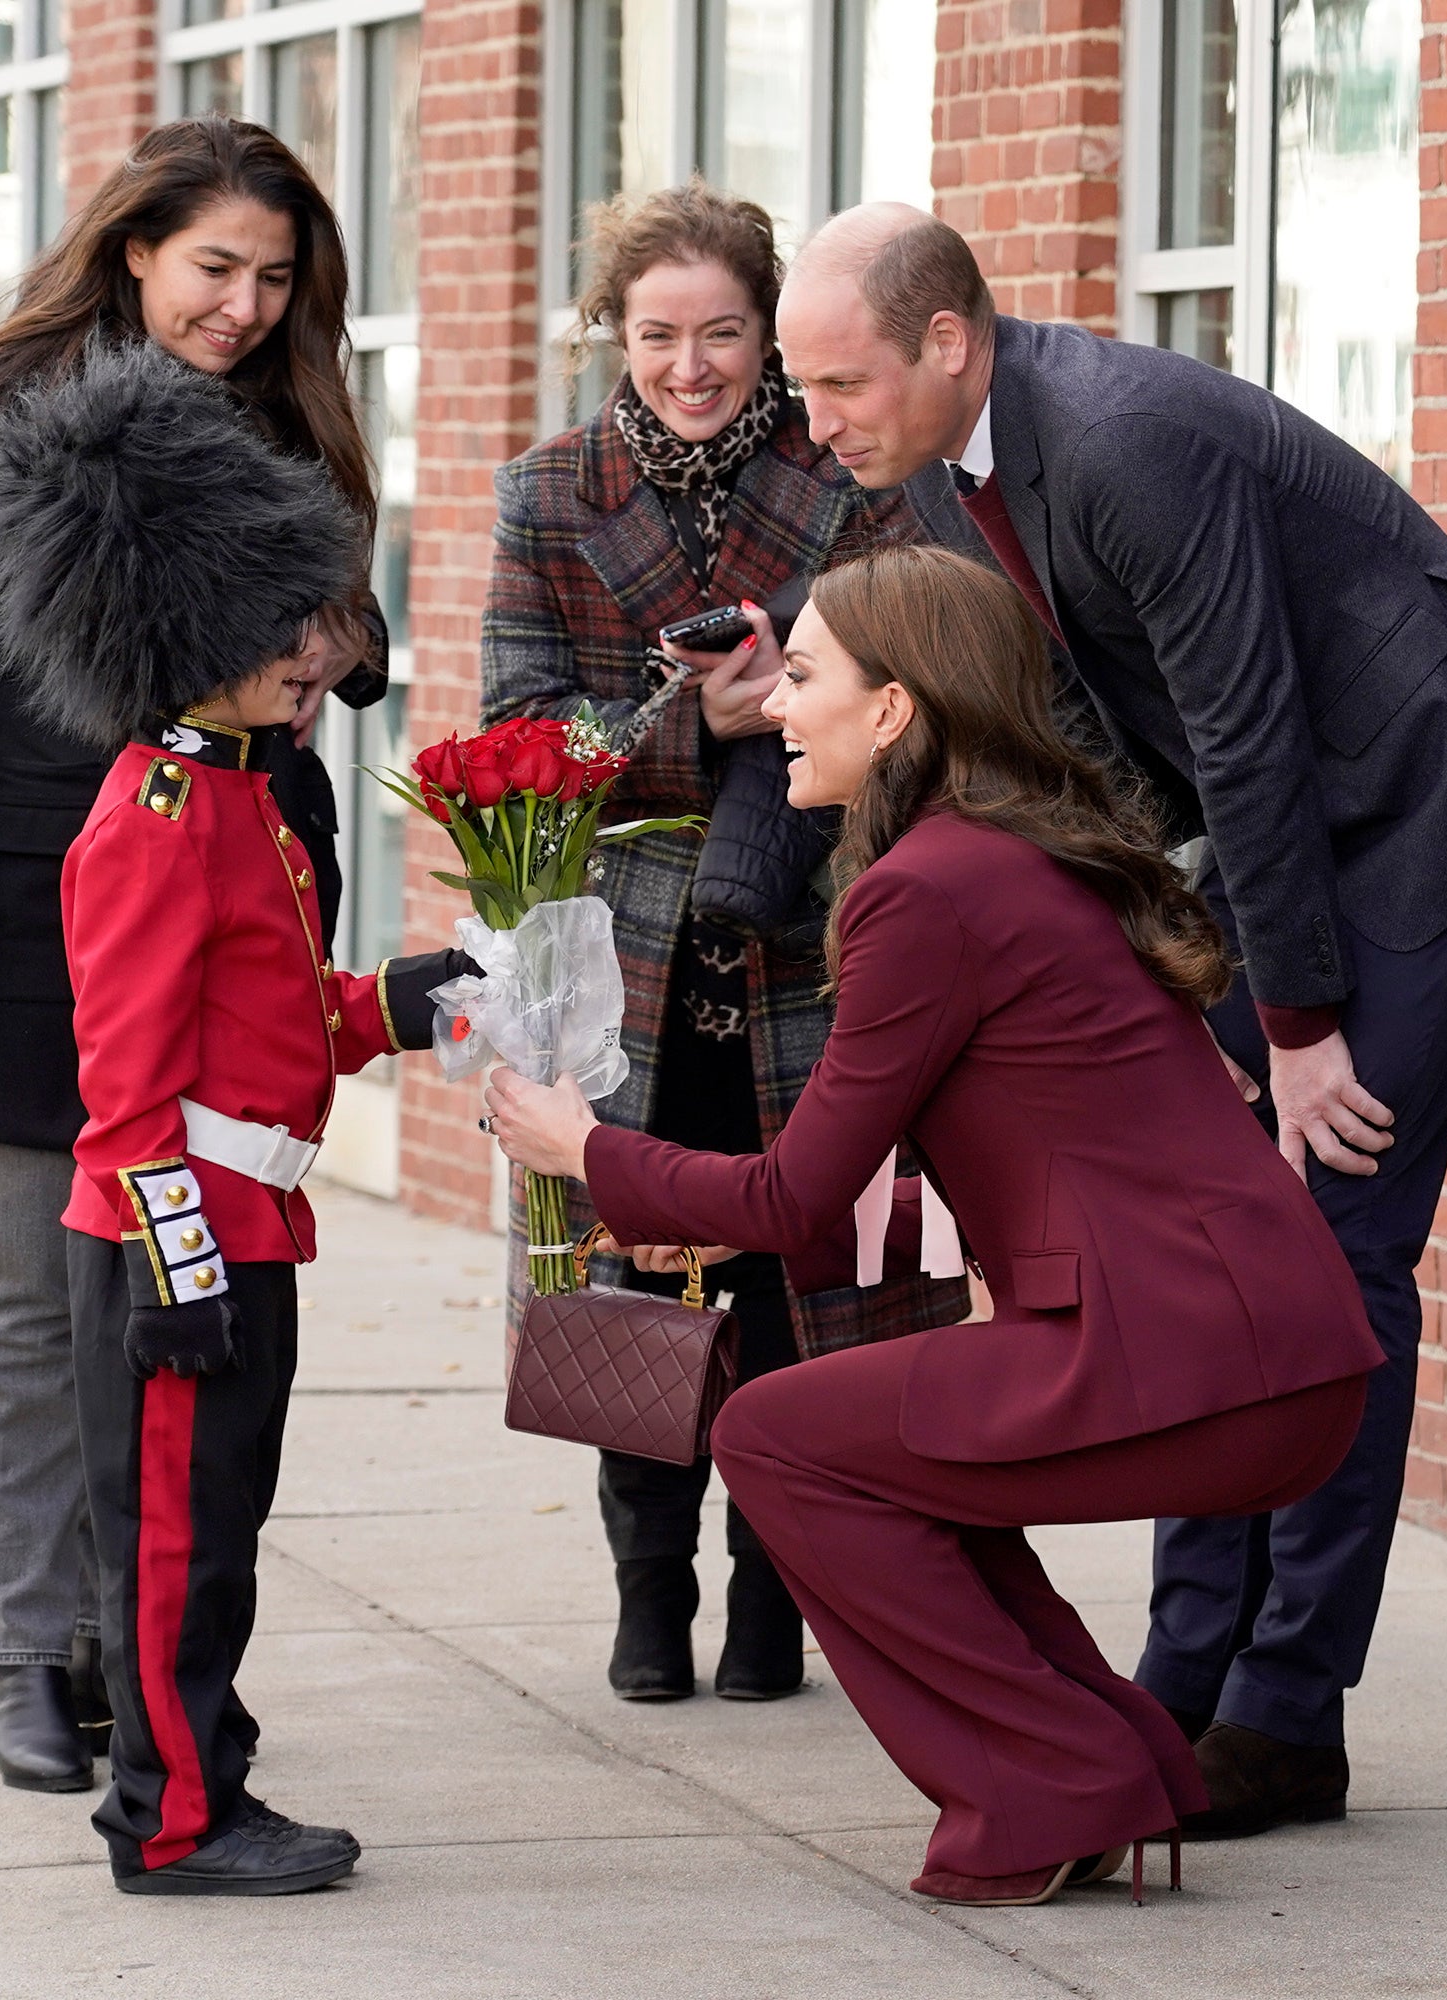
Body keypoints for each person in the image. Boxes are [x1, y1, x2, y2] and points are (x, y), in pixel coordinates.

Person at [768, 204, 1447, 1836]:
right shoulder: (931, 478)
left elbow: (1251, 731)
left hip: (1421, 778)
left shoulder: (1130, 443)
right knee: (1200, 1245)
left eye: (838, 382)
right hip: (1265, 811)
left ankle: (1288, 1716)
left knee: (1334, 1238)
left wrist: (1295, 1023)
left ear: (944, 341)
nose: (817, 425)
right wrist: (1132, 948)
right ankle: (1187, 1669)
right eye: (805, 390)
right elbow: (1067, 730)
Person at [487, 544, 1384, 1904]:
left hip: (1191, 1360)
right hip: (1264, 1353)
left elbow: (794, 1190)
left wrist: (591, 1151)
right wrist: (700, 1219)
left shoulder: (926, 890)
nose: (774, 706)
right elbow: (1016, 1165)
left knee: (776, 1435)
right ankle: (1106, 1765)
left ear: (894, 710)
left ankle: (1056, 1785)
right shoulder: (1008, 857)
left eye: (801, 677)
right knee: (876, 1442)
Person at [0, 116, 386, 1795]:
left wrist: (335, 615)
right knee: (18, 1300)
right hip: (14, 930)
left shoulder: (282, 418)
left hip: (231, 927)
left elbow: (351, 672)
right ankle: (32, 1654)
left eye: (274, 277)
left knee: (173, 1307)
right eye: (214, 265)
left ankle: (130, 1657)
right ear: (134, 247)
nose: (240, 304)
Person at [0, 338, 470, 1896]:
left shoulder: (236, 789)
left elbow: (280, 1016)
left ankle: (205, 1766)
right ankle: (169, 1823)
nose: (314, 653)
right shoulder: (159, 813)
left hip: (246, 1223)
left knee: (218, 1534)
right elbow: (127, 1084)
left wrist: (408, 996)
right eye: (283, 629)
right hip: (184, 1239)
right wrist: (175, 1263)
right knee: (172, 1546)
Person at [480, 181, 971, 1705]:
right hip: (629, 962)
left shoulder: (852, 471)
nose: (691, 366)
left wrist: (813, 709)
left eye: (724, 334)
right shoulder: (550, 490)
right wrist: (684, 721)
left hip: (821, 935)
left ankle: (779, 1599)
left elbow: (933, 694)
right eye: (656, 335)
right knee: (630, 1264)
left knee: (799, 1279)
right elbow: (518, 736)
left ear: (769, 331)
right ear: (610, 334)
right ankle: (648, 1588)